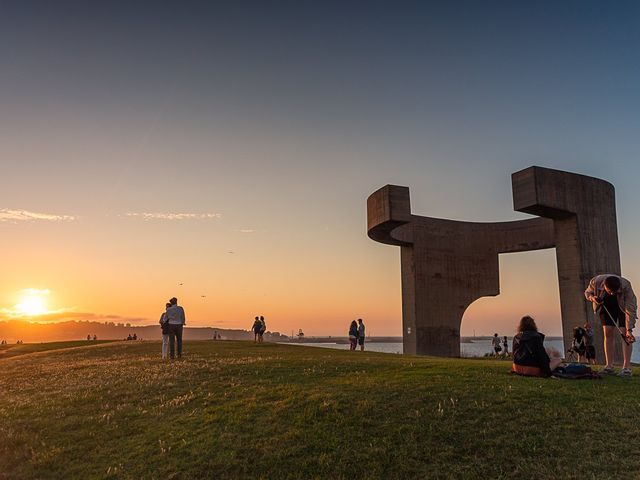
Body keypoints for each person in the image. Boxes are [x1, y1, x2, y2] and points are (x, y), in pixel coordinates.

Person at [585, 274, 637, 377]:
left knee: (625, 334)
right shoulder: (595, 281)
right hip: (605, 304)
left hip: (623, 307)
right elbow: (587, 292)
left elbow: (630, 309)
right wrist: (593, 298)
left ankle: (626, 368)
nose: (612, 293)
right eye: (610, 291)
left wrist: (629, 330)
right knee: (607, 332)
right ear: (603, 285)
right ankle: (609, 366)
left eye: (615, 291)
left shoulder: (626, 286)